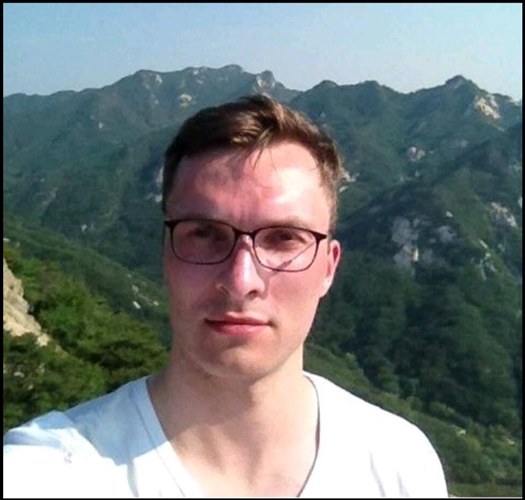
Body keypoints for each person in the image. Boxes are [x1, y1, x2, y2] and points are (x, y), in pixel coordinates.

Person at [3, 94, 448, 498]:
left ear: (328, 268)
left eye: (283, 238)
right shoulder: (51, 473)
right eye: (204, 234)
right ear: (165, 253)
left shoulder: (399, 464)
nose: (241, 279)